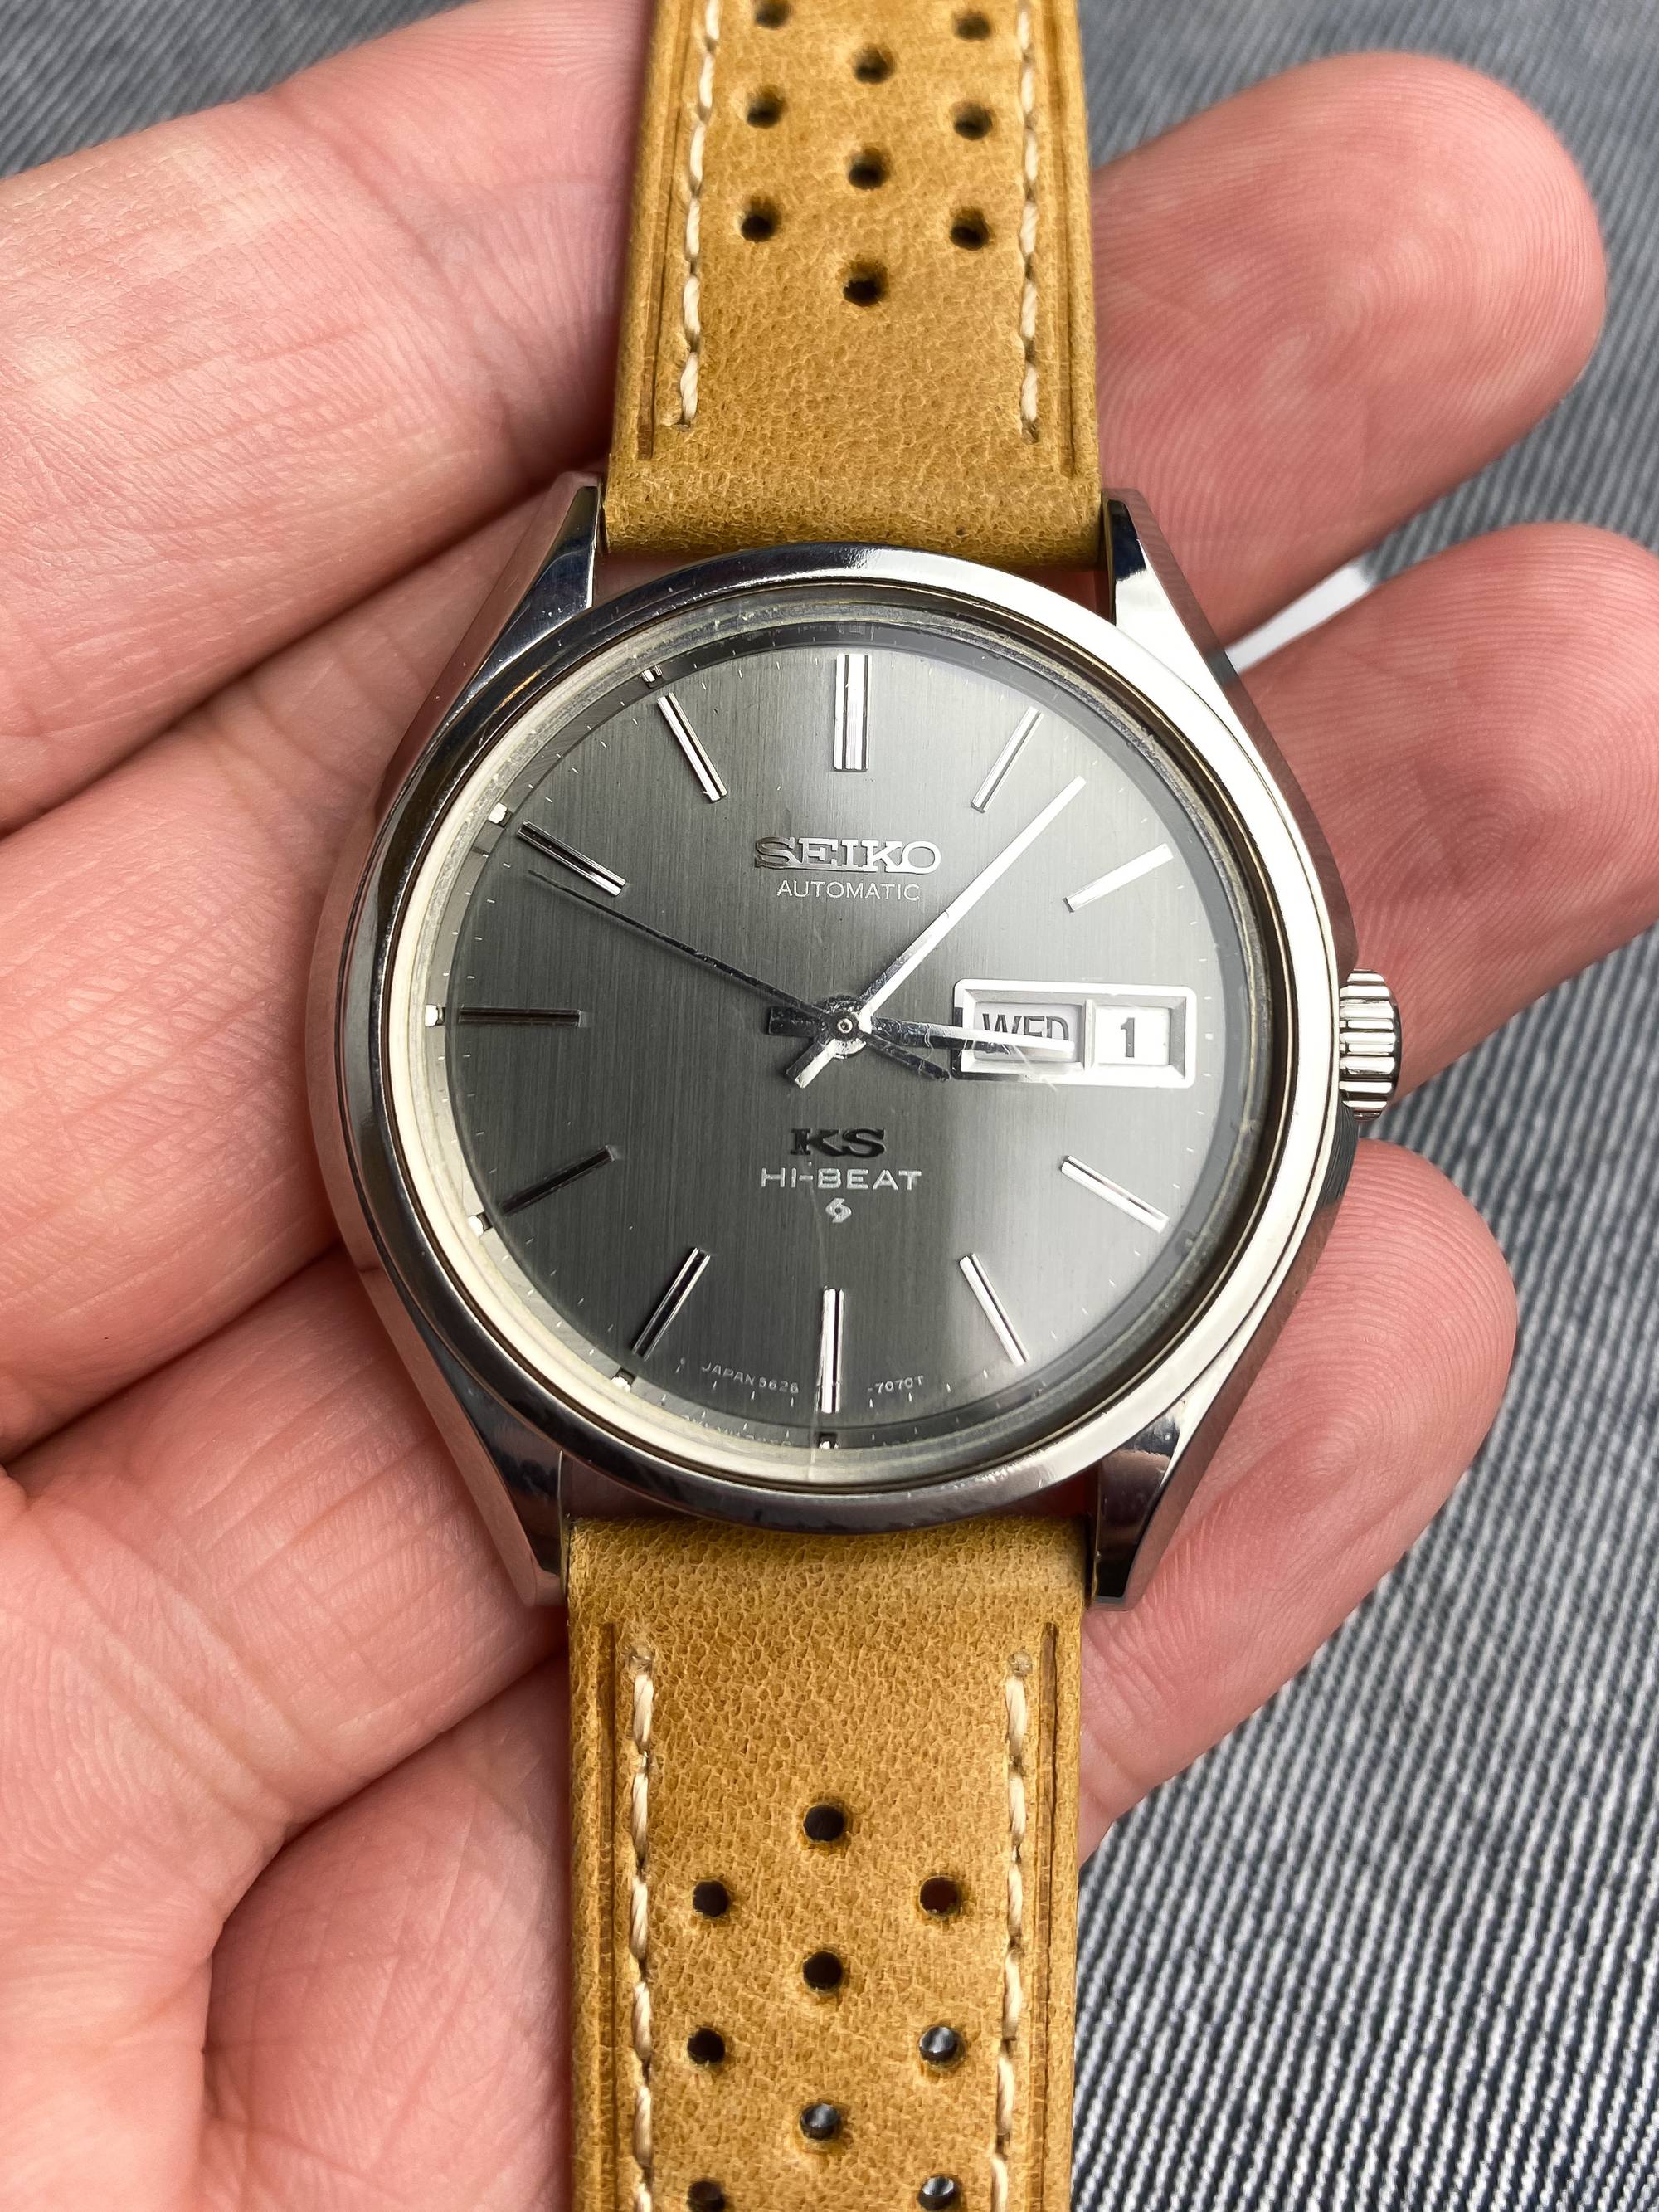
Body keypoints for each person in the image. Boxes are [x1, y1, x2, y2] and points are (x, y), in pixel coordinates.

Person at [1, 2, 1652, 2201]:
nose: (839, 1055)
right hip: (648, 1419)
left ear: (1320, 1039)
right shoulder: (918, 642)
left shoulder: (1060, 645)